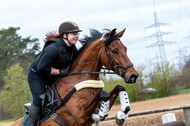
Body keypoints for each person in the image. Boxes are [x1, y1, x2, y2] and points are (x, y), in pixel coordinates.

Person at [27, 21, 82, 126]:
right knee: (40, 98)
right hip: (37, 75)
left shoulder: (72, 49)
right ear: (64, 35)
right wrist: (60, 72)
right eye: (74, 34)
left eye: (77, 34)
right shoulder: (53, 49)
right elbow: (42, 68)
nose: (77, 36)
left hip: (52, 75)